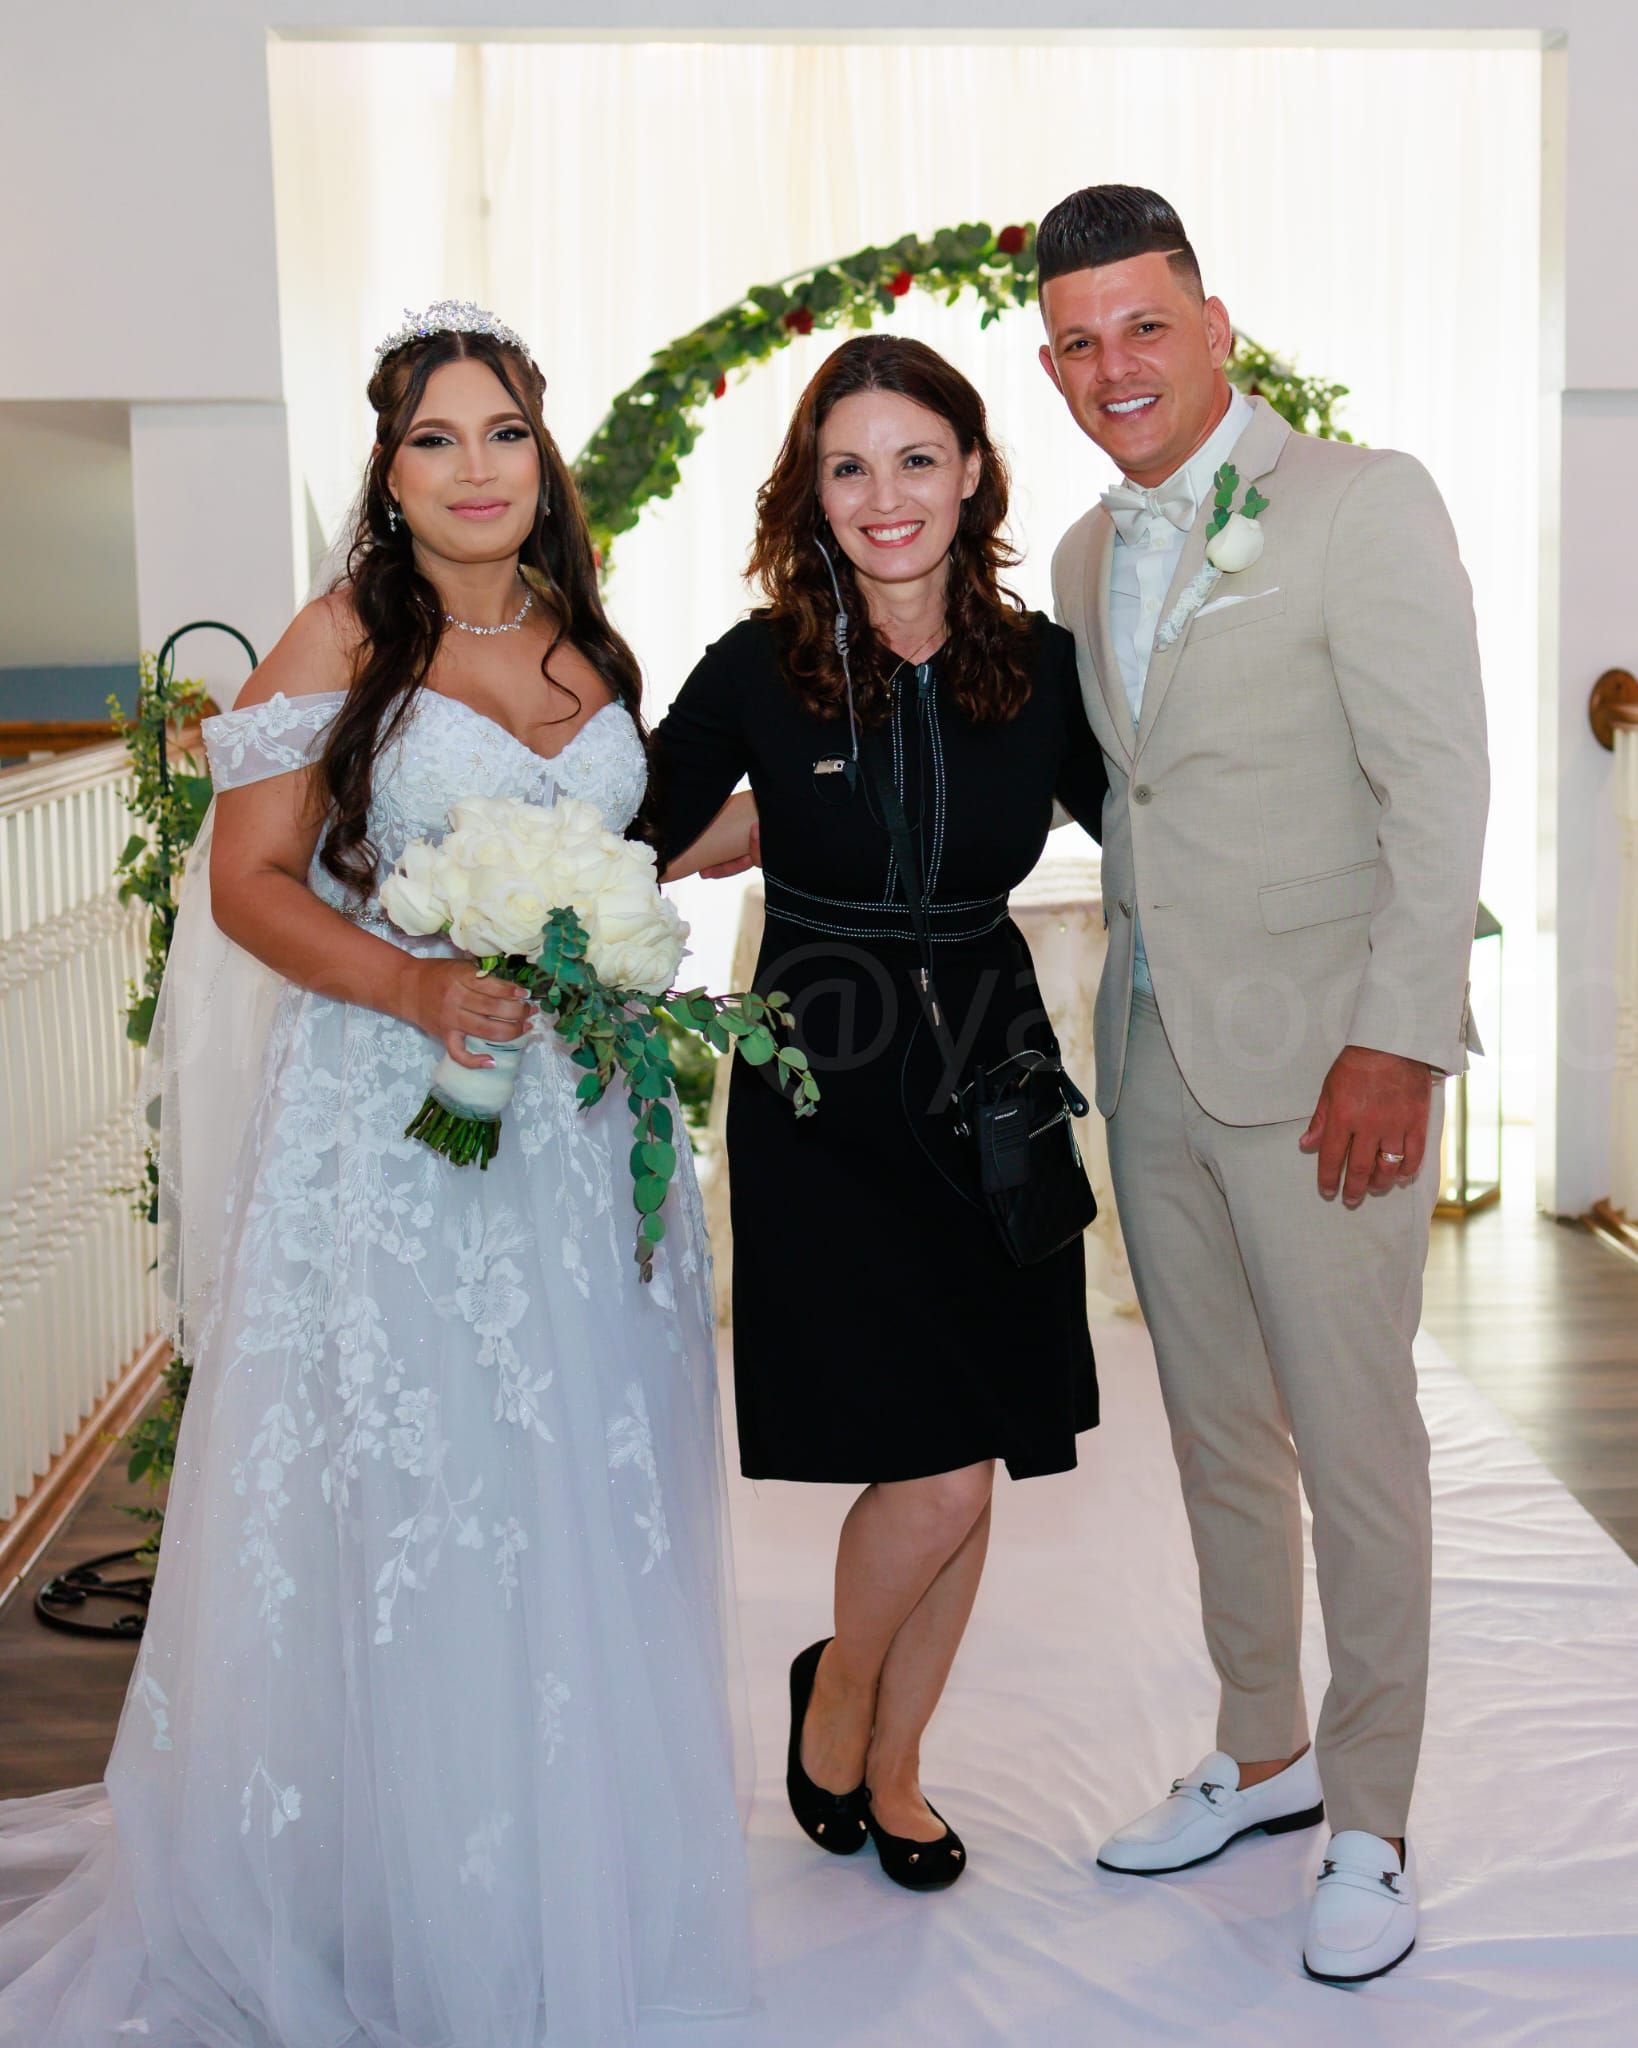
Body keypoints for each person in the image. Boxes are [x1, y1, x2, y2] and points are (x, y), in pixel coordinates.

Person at [0, 303, 751, 2047]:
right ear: (388, 471)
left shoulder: (588, 644)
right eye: (435, 439)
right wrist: (414, 981)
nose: (474, 468)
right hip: (394, 1130)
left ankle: (569, 1872)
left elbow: (632, 846)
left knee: (574, 1491)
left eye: (502, 434)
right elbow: (247, 881)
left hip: (572, 1139)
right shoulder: (338, 637)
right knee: (422, 1503)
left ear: (541, 458)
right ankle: (386, 1891)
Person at [1038, 186, 1489, 1982]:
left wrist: (1397, 1038)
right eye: (1074, 341)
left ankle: (1370, 1820)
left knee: (1355, 1442)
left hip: (1325, 1068)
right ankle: (1261, 1756)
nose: (1111, 366)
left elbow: (1436, 786)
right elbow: (1127, 794)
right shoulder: (1083, 554)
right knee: (1214, 1433)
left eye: (1141, 325)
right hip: (1151, 1047)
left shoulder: (1361, 503)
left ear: (1213, 324)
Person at [655, 334, 1107, 1891]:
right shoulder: (753, 664)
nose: (885, 494)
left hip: (987, 1070)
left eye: (916, 457)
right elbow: (618, 834)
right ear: (811, 494)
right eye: (848, 465)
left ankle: (882, 1747)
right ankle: (840, 1692)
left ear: (971, 470)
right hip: (819, 1079)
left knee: (970, 1449)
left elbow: (1171, 829)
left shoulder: (1045, 668)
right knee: (930, 1460)